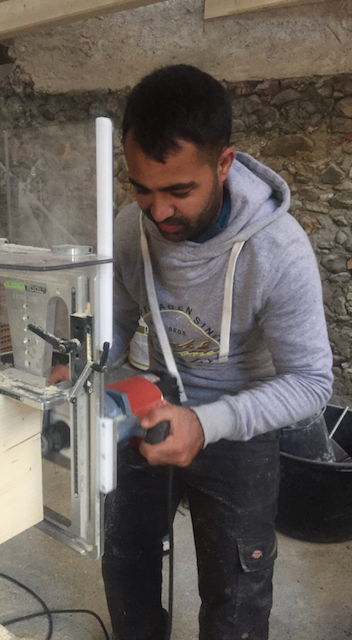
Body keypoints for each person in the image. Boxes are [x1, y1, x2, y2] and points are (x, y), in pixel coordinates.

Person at [102, 64, 333, 640]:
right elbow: (113, 329)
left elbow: (311, 382)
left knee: (237, 590)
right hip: (152, 404)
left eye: (179, 191)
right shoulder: (129, 229)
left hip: (241, 421)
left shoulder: (278, 249)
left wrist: (207, 424)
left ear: (223, 164)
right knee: (125, 556)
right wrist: (84, 364)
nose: (158, 212)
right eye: (142, 188)